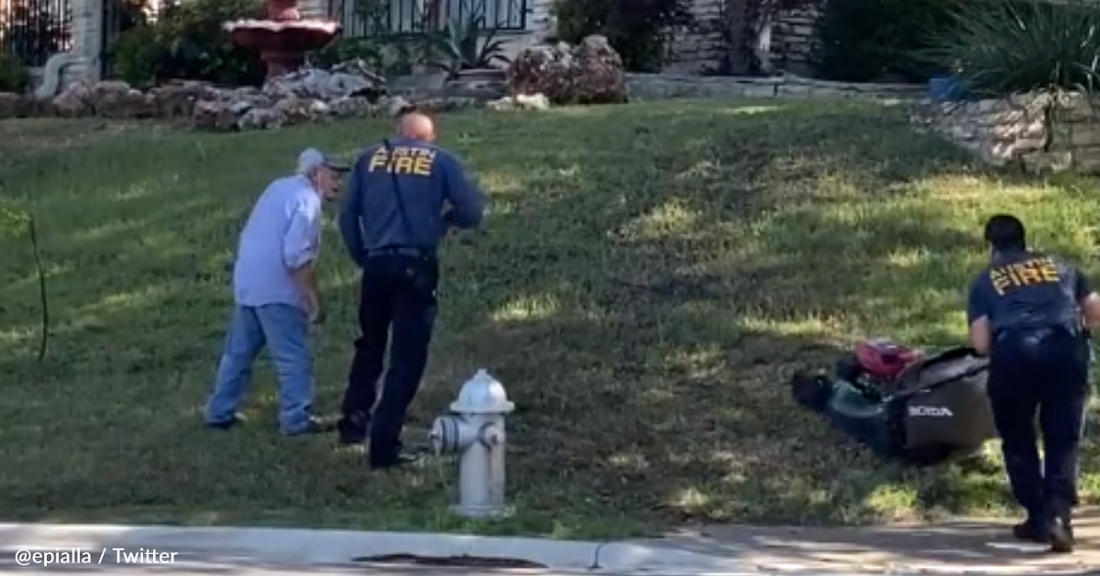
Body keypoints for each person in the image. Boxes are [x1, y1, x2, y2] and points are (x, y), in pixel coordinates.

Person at [336, 112, 486, 469]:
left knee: (369, 344)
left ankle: (353, 425)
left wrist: (362, 255)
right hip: (415, 264)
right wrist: (445, 222)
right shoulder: (442, 160)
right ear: (429, 137)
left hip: (375, 263)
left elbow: (347, 214)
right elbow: (473, 209)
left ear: (398, 133)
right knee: (407, 358)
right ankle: (384, 446)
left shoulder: (367, 158)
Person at [966, 214, 1100, 553]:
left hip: (1014, 354)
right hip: (1065, 351)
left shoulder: (986, 280)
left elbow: (981, 344)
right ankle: (1059, 515)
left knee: (1017, 436)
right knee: (1062, 436)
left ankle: (1037, 516)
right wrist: (1081, 332)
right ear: (1024, 241)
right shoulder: (1062, 267)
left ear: (992, 247)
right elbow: (1094, 310)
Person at [204, 148, 346, 435]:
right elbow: (295, 255)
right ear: (315, 173)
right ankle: (296, 420)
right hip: (277, 287)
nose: (338, 182)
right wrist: (311, 298)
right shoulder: (307, 200)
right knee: (293, 356)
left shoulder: (278, 187)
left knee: (238, 354)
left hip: (248, 281)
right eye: (333, 175)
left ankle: (219, 412)